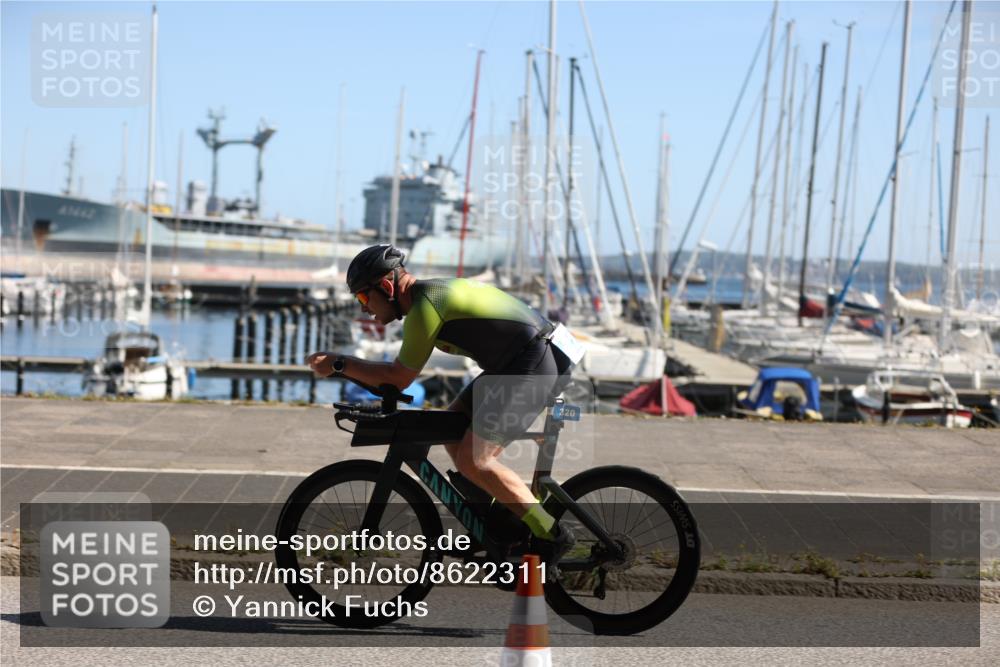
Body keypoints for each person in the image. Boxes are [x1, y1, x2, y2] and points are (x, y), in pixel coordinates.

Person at [306, 244, 578, 558]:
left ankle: (552, 534)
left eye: (364, 297)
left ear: (386, 286)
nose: (364, 308)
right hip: (518, 361)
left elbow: (398, 377)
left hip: (532, 362)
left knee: (475, 460)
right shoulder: (425, 299)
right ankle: (494, 527)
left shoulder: (424, 308)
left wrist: (341, 364)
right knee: (453, 430)